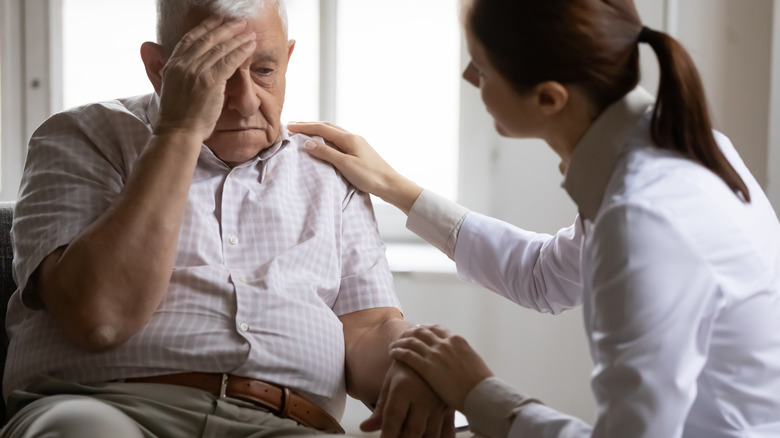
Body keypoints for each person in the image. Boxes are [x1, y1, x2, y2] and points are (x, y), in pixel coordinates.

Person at [289, 0, 780, 436]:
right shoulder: (667, 148)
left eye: (480, 67)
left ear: (548, 97)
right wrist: (397, 188)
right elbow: (544, 277)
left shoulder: (642, 217)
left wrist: (477, 391)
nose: (468, 78)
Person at [1, 1, 455, 437]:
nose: (243, 100)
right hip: (109, 406)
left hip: (289, 421)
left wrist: (412, 363)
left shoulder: (331, 173)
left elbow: (368, 329)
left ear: (287, 60)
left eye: (263, 70)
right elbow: (99, 317)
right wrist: (179, 130)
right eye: (214, 72)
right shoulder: (84, 136)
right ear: (160, 69)